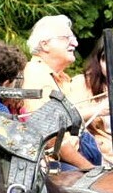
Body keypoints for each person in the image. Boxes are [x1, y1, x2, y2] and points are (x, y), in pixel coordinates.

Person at [20, 15, 100, 165]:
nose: (74, 43)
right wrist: (88, 169)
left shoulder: (62, 78)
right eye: (66, 38)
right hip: (59, 164)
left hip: (76, 158)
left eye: (73, 38)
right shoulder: (35, 75)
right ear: (45, 45)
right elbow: (50, 137)